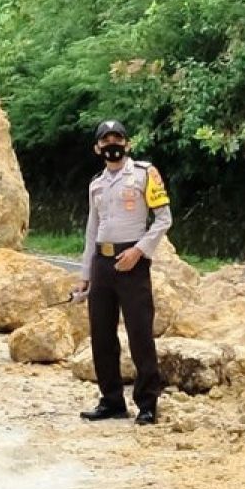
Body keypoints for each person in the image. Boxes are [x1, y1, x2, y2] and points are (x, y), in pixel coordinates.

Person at [74, 120, 172, 426]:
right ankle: (111, 400)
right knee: (101, 334)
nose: (112, 145)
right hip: (103, 263)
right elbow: (92, 230)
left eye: (117, 139)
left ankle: (146, 403)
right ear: (97, 148)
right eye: (106, 141)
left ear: (127, 144)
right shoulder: (96, 184)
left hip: (133, 260)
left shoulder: (144, 173)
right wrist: (84, 274)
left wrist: (139, 250)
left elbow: (163, 219)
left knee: (139, 332)